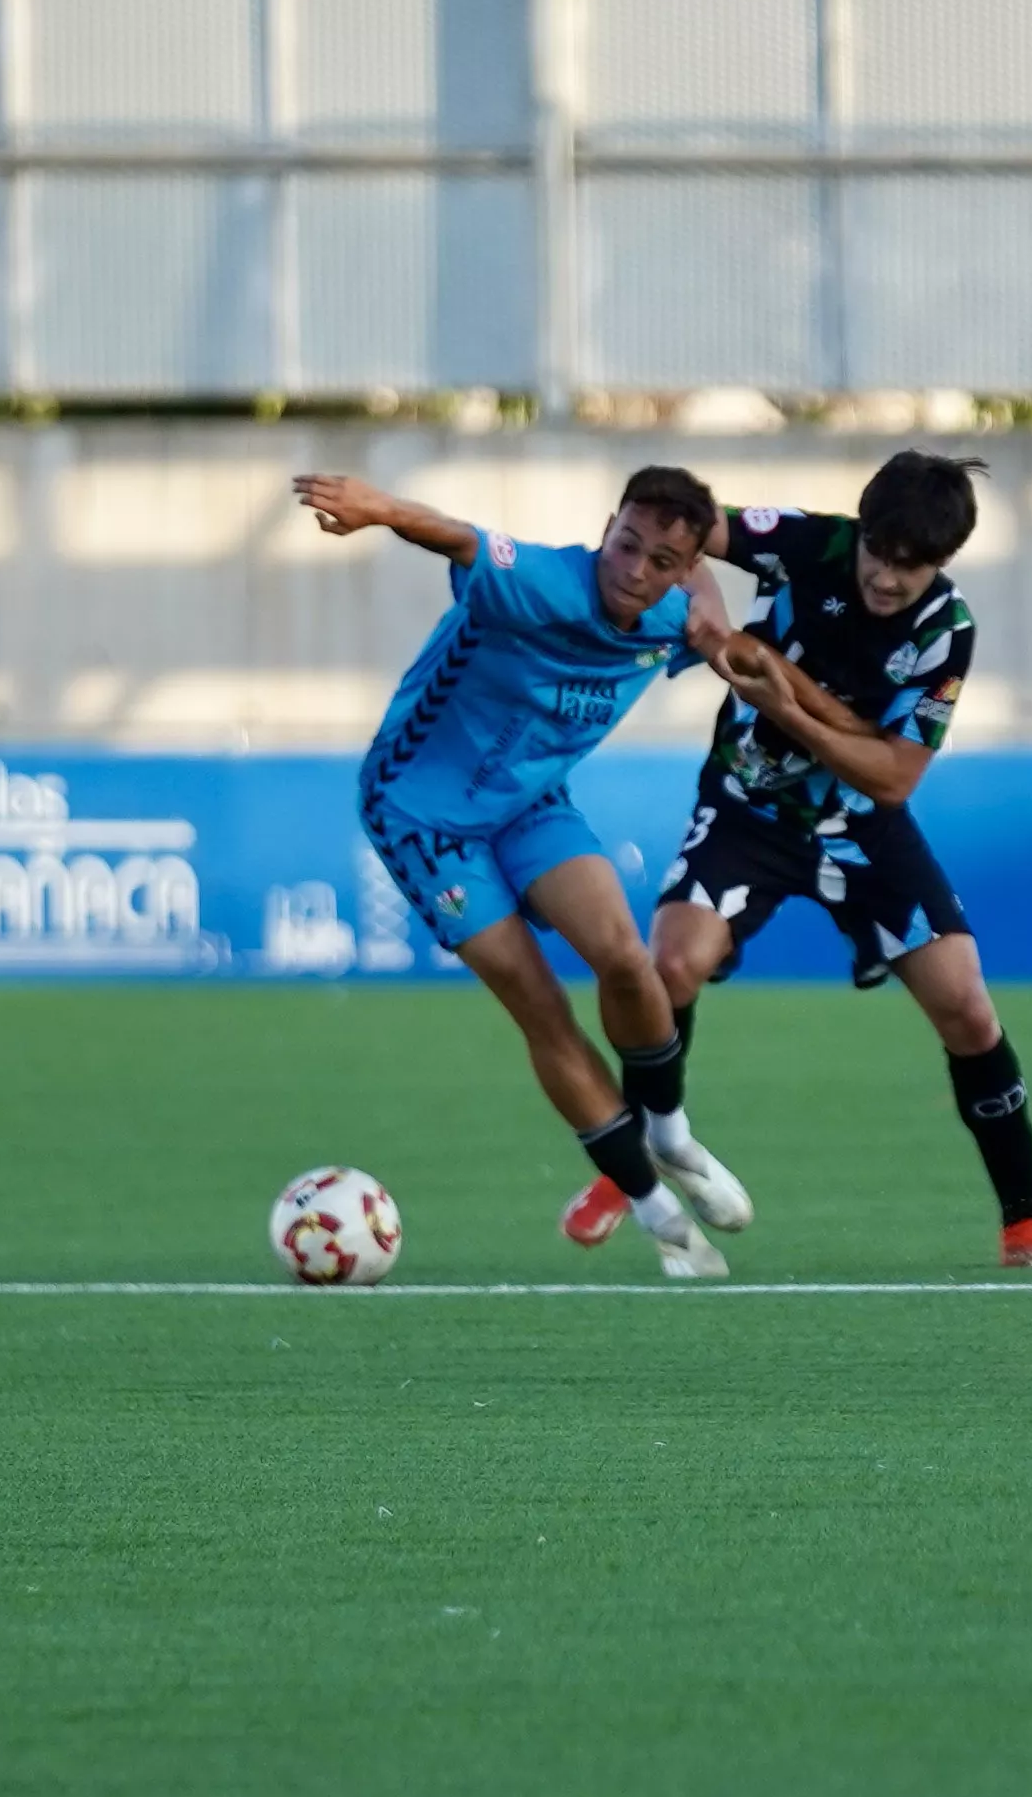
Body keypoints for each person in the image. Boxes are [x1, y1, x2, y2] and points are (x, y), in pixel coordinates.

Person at [562, 452, 1032, 1272]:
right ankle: (636, 1159)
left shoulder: (945, 633)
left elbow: (893, 774)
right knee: (667, 967)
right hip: (747, 806)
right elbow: (686, 530)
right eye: (876, 553)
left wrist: (784, 697)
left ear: (940, 564)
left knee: (967, 1008)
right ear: (862, 532)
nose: (883, 577)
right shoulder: (810, 543)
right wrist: (707, 615)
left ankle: (1026, 1225)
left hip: (861, 826)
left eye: (906, 568)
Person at [295, 462, 748, 1279]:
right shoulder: (542, 582)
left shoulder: (671, 617)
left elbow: (709, 597)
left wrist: (711, 614)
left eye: (659, 561)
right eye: (625, 544)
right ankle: (658, 1216)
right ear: (606, 528)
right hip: (423, 815)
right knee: (541, 1005)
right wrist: (380, 509)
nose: (633, 570)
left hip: (532, 801)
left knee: (624, 956)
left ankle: (670, 1134)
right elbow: (459, 536)